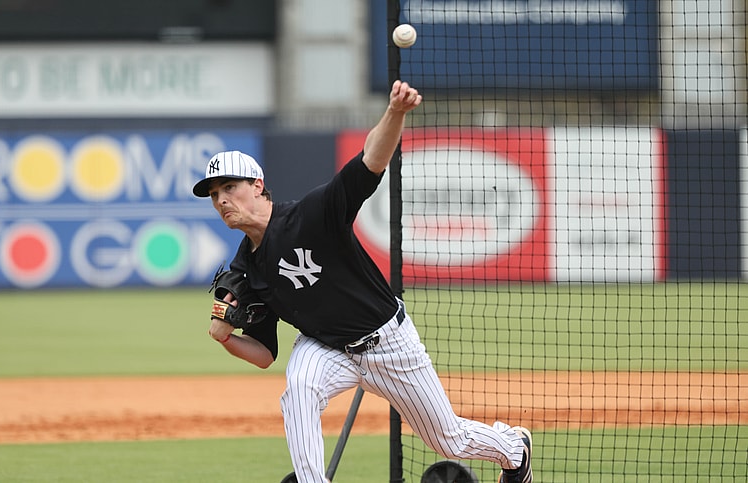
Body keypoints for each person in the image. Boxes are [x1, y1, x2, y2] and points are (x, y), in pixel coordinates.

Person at [192, 80, 533, 483]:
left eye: (229, 187)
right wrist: (226, 338)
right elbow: (265, 354)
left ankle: (514, 449)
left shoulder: (313, 214)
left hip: (387, 344)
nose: (222, 201)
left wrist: (395, 112)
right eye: (214, 195)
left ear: (258, 186)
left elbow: (370, 161)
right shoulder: (246, 268)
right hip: (326, 347)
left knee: (449, 440)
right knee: (299, 390)